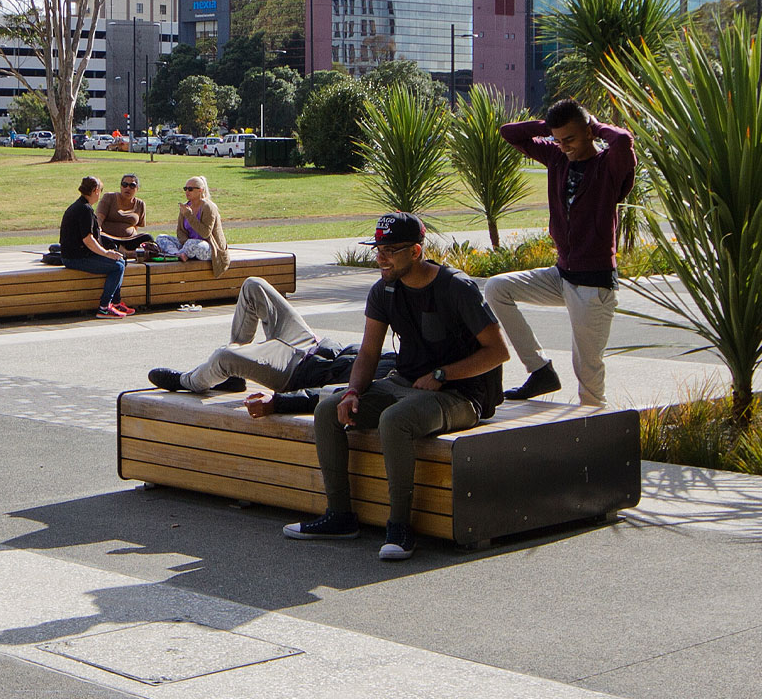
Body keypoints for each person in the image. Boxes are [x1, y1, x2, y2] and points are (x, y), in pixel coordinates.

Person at [283, 212, 508, 562]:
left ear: (416, 251)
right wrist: (354, 392)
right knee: (329, 407)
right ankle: (340, 516)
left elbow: (498, 351)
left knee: (395, 420)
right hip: (406, 383)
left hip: (462, 395)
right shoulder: (384, 289)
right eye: (378, 249)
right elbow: (369, 352)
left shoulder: (456, 287)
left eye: (390, 250)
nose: (381, 258)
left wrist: (443, 375)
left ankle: (400, 527)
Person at [485, 99, 636, 406]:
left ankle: (594, 426)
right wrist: (550, 128)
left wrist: (594, 124)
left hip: (593, 285)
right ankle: (540, 371)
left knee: (588, 375)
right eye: (558, 139)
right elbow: (509, 133)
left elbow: (623, 139)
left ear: (589, 133)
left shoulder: (609, 165)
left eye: (571, 139)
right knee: (497, 288)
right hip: (561, 275)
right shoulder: (556, 157)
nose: (564, 146)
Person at [145, 275, 397, 414]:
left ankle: (189, 381)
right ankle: (232, 375)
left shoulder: (391, 383)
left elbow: (326, 395)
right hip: (312, 343)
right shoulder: (402, 355)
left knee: (224, 355)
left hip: (294, 371)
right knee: (254, 286)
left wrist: (280, 402)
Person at [60, 175, 138, 318]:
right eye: (100, 191)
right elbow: (88, 239)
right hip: (75, 258)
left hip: (79, 254)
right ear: (96, 190)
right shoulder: (84, 209)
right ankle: (104, 307)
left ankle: (115, 302)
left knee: (120, 260)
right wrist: (106, 253)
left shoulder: (81, 206)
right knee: (117, 266)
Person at [153, 175, 230, 277]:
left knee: (192, 243)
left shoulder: (208, 207)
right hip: (187, 245)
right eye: (185, 189)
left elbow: (205, 233)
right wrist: (184, 243)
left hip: (209, 247)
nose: (187, 192)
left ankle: (177, 254)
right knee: (161, 238)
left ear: (200, 191)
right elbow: (180, 231)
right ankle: (178, 254)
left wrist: (189, 215)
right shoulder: (185, 206)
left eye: (190, 189)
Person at [95, 174, 154, 254]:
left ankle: (127, 252)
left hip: (129, 240)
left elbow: (136, 226)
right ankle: (127, 253)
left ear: (137, 188)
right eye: (125, 185)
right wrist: (98, 230)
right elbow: (99, 218)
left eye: (132, 185)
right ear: (121, 186)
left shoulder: (140, 204)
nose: (128, 188)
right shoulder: (109, 197)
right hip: (109, 238)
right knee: (101, 237)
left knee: (148, 238)